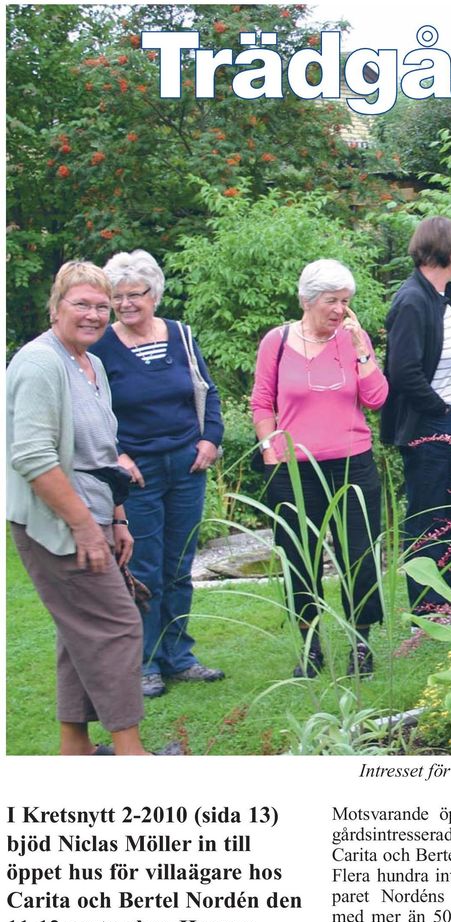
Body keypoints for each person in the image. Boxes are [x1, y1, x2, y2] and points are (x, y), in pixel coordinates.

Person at [6, 260, 175, 755]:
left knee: (78, 630)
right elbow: (32, 457)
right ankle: (130, 752)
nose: (95, 315)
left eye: (103, 307)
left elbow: (103, 453)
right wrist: (83, 526)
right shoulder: (39, 364)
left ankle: (75, 749)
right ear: (56, 307)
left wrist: (117, 519)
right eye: (82, 304)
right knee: (118, 626)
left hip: (96, 514)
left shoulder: (91, 363)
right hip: (56, 524)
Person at [94, 249, 225, 699]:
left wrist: (210, 439)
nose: (127, 303)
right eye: (118, 297)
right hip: (138, 473)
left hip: (187, 466)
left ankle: (179, 656)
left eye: (136, 294)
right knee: (144, 566)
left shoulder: (181, 336)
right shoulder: (101, 346)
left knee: (180, 564)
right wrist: (119, 455)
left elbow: (208, 393)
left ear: (155, 294)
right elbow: (92, 410)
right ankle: (144, 662)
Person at [252, 259, 388, 678]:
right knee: (300, 558)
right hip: (295, 470)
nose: (340, 310)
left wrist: (363, 350)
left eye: (346, 301)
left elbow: (377, 398)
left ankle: (360, 643)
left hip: (352, 465)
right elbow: (262, 402)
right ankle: (310, 647)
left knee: (359, 556)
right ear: (307, 300)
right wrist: (270, 449)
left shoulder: (352, 338)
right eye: (332, 301)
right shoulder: (275, 342)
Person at [381, 217, 451, 608]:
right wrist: (440, 407)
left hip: (449, 421)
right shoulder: (413, 300)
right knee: (430, 514)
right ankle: (429, 604)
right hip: (429, 424)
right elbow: (402, 372)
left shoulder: (436, 296)